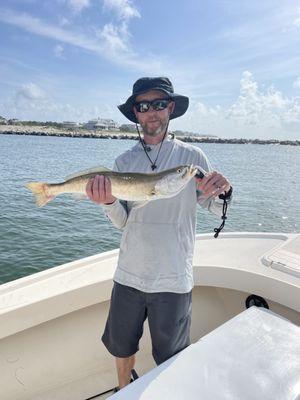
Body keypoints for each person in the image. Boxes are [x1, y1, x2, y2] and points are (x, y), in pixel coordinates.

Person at [86, 77, 232, 390]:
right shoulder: (124, 162)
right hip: (129, 274)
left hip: (174, 277)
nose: (152, 112)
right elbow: (122, 222)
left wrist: (223, 191)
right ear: (136, 113)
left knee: (171, 355)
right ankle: (124, 390)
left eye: (159, 104)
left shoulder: (192, 159)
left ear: (171, 108)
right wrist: (108, 202)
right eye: (144, 106)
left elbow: (217, 208)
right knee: (122, 348)